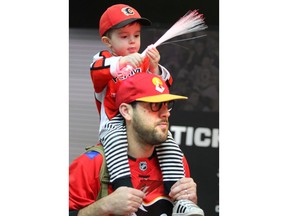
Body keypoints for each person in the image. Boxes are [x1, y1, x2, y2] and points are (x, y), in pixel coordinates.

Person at [89, 3, 189, 206]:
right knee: (116, 141)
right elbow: (97, 70)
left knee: (168, 142)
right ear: (107, 41)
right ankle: (124, 192)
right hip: (114, 124)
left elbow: (161, 88)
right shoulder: (104, 59)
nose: (133, 42)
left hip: (141, 126)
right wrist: (122, 62)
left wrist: (154, 67)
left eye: (136, 35)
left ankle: (179, 199)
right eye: (124, 37)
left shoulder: (143, 61)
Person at [69, 73, 205, 216]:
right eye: (155, 105)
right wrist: (103, 207)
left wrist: (188, 200)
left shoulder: (176, 161)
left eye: (167, 105)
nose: (165, 113)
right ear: (126, 111)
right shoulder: (92, 164)